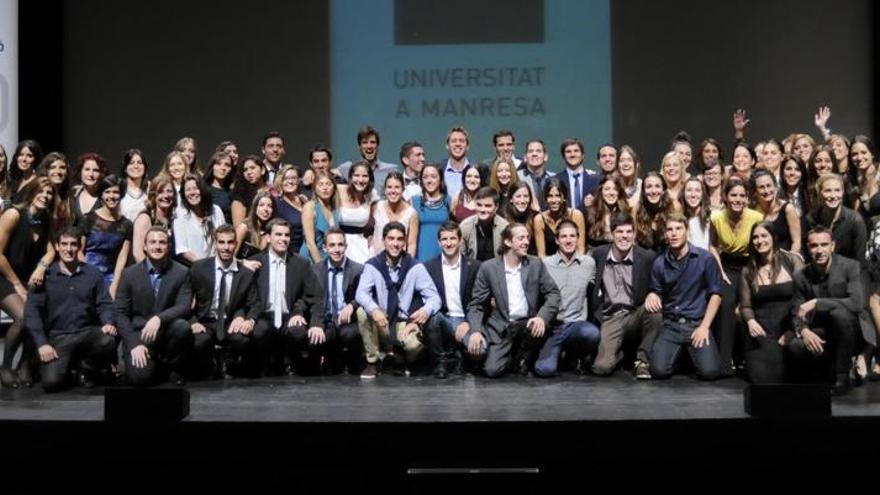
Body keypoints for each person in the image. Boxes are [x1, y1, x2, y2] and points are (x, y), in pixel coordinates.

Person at [25, 227, 117, 392]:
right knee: (51, 383)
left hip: (86, 332)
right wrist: (42, 343)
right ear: (58, 247)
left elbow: (104, 303)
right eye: (64, 244)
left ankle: (86, 367)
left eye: (73, 244)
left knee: (108, 340)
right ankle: (68, 368)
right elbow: (32, 313)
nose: (69, 249)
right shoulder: (45, 276)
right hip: (58, 336)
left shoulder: (93, 273)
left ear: (79, 247)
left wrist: (108, 322)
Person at [466, 223, 560, 378]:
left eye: (527, 238)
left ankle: (524, 355)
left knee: (533, 328)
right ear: (508, 242)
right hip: (502, 327)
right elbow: (476, 304)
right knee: (492, 370)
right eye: (521, 238)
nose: (526, 242)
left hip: (528, 325)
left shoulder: (535, 264)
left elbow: (553, 293)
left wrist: (542, 317)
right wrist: (475, 330)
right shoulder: (489, 268)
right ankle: (512, 356)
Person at [356, 221, 441, 377]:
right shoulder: (373, 266)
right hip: (382, 320)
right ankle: (373, 362)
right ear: (384, 240)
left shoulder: (415, 267)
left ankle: (400, 357)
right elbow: (361, 294)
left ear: (404, 241)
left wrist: (425, 310)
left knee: (413, 347)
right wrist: (374, 309)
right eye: (391, 239)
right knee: (362, 312)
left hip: (404, 322)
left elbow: (434, 297)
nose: (395, 244)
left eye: (400, 239)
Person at [647, 213, 723, 380]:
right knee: (658, 371)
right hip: (671, 325)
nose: (674, 233)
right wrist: (652, 294)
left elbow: (716, 295)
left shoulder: (705, 259)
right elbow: (655, 290)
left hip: (696, 324)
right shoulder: (660, 263)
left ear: (686, 231)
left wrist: (704, 326)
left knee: (709, 372)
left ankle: (689, 355)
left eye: (678, 229)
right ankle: (680, 356)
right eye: (669, 230)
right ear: (665, 234)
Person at [789, 226, 864, 395]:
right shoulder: (801, 276)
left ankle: (842, 375)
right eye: (814, 246)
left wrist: (817, 302)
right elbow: (796, 312)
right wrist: (804, 330)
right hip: (822, 332)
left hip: (850, 332)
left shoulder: (850, 267)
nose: (819, 250)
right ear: (808, 248)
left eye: (824, 244)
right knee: (795, 346)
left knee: (839, 314)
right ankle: (824, 372)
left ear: (833, 246)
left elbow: (856, 303)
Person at [115, 226, 193, 386]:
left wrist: (159, 318)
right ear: (144, 246)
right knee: (140, 379)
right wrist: (133, 345)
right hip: (139, 335)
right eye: (153, 242)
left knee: (182, 327)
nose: (157, 246)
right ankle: (153, 365)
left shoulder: (182, 272)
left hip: (166, 332)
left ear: (169, 246)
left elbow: (184, 306)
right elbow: (120, 313)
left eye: (162, 242)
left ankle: (173, 367)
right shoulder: (129, 274)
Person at [189, 225, 266, 379]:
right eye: (222, 242)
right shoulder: (199, 268)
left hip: (231, 321)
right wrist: (192, 321)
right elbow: (185, 299)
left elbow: (255, 303)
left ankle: (229, 362)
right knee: (199, 341)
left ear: (236, 244)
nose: (226, 247)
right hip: (206, 321)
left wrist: (248, 320)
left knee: (242, 338)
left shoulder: (245, 273)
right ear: (215, 244)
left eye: (230, 243)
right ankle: (210, 365)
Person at [590, 212, 661, 378]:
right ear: (612, 234)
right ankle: (621, 353)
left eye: (629, 232)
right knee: (601, 368)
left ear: (634, 234)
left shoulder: (646, 257)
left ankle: (642, 361)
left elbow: (658, 283)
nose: (624, 236)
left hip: (634, 314)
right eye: (620, 232)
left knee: (655, 313)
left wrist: (653, 293)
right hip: (610, 317)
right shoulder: (599, 255)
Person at [0, 176, 55, 387]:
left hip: (25, 278)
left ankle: (25, 364)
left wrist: (42, 266)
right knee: (23, 317)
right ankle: (6, 366)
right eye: (41, 191)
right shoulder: (14, 214)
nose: (46, 196)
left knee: (38, 313)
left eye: (49, 193)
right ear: (32, 191)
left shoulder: (44, 220)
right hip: (4, 276)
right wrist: (16, 284)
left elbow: (51, 250)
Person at [252, 219, 325, 375]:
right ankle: (264, 366)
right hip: (264, 315)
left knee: (298, 332)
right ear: (268, 237)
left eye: (286, 235)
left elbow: (315, 296)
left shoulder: (301, 263)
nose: (283, 239)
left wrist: (310, 319)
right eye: (278, 234)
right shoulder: (255, 262)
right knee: (259, 331)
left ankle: (292, 365)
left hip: (290, 315)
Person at [709, 177, 763, 376]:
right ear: (725, 197)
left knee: (749, 308)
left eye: (742, 195)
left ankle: (751, 361)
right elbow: (712, 245)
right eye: (733, 195)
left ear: (747, 198)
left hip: (750, 266)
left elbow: (761, 246)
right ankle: (724, 363)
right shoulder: (716, 218)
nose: (738, 199)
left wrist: (756, 272)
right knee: (725, 306)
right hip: (727, 267)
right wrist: (720, 270)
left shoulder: (756, 217)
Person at [738, 222, 803, 384]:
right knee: (761, 379)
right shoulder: (748, 270)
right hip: (762, 332)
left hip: (789, 328)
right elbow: (745, 306)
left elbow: (803, 298)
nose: (759, 241)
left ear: (773, 238)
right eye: (755, 237)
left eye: (763, 236)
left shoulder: (791, 261)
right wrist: (751, 321)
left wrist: (793, 329)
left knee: (789, 376)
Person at [539, 220, 600, 377]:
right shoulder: (545, 264)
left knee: (592, 334)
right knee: (544, 370)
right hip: (553, 327)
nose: (568, 240)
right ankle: (558, 354)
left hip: (576, 325)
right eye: (564, 236)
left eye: (572, 236)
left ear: (578, 238)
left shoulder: (588, 263)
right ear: (557, 240)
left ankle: (575, 355)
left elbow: (593, 291)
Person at [424, 221, 481, 378]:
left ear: (460, 240)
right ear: (439, 242)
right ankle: (440, 361)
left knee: (480, 351)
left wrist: (469, 322)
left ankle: (460, 357)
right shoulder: (429, 267)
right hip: (444, 318)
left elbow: (479, 301)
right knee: (433, 319)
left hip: (466, 319)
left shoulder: (475, 266)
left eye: (452, 239)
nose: (448, 243)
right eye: (444, 239)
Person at [312, 227, 366, 374]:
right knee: (315, 336)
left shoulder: (358, 269)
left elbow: (365, 295)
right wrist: (316, 324)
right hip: (325, 321)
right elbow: (310, 299)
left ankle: (354, 362)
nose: (337, 249)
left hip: (347, 322)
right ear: (324, 247)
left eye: (340, 245)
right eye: (332, 245)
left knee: (352, 334)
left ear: (346, 247)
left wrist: (352, 305)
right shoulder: (315, 270)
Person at [80, 174, 133, 297]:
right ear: (101, 195)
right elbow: (79, 251)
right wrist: (87, 276)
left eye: (116, 192)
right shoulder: (88, 219)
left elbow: (122, 257)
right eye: (107, 192)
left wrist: (114, 285)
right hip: (86, 272)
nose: (111, 196)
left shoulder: (127, 225)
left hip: (111, 277)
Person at [173, 174, 226, 265]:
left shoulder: (216, 211)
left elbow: (224, 238)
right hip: (194, 267)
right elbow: (183, 250)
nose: (192, 192)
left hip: (218, 264)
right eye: (188, 190)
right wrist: (203, 266)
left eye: (195, 188)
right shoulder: (180, 219)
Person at [336, 126, 400, 199]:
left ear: (377, 145)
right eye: (365, 142)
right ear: (359, 146)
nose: (369, 146)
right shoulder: (346, 168)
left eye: (372, 142)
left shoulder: (391, 170)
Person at [533, 178, 587, 256]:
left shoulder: (576, 215)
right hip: (549, 264)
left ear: (564, 197)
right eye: (550, 196)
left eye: (558, 196)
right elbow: (541, 254)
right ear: (545, 198)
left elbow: (580, 249)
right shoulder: (539, 220)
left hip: (573, 263)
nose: (554, 200)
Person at [370, 172, 418, 257]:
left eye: (397, 187)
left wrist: (407, 266)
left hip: (399, 262)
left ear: (403, 189)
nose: (393, 191)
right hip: (376, 259)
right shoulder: (377, 207)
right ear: (384, 190)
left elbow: (411, 244)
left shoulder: (411, 213)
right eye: (389, 187)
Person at [132, 175, 176, 264]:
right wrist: (150, 275)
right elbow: (138, 254)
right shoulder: (145, 218)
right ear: (153, 195)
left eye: (169, 191)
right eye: (160, 192)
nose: (166, 195)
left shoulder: (173, 219)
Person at [412, 163, 451, 263]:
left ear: (440, 179)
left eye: (433, 177)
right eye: (425, 177)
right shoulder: (414, 201)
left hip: (443, 255)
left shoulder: (449, 201)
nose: (429, 181)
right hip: (421, 256)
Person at [300, 171, 341, 263]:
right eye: (320, 184)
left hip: (329, 258)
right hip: (311, 259)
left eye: (328, 184)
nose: (325, 188)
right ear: (314, 188)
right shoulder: (310, 207)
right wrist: (321, 268)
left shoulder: (335, 209)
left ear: (334, 187)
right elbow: (310, 243)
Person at [460, 187, 509, 262]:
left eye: (487, 206)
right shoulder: (465, 226)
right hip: (473, 271)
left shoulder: (504, 227)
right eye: (479, 205)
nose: (482, 210)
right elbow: (460, 257)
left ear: (496, 207)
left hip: (497, 271)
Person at [556, 138, 600, 211]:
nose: (572, 154)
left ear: (583, 155)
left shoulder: (595, 180)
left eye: (576, 151)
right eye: (568, 151)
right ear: (563, 156)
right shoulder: (556, 180)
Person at [273, 165, 308, 255]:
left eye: (293, 178)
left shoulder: (304, 200)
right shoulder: (276, 203)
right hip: (289, 253)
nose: (290, 181)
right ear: (280, 181)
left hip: (307, 251)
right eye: (286, 178)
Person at [230, 155, 270, 228]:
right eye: (245, 170)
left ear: (263, 170)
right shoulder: (240, 194)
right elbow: (238, 227)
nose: (249, 172)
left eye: (252, 168)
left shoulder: (272, 190)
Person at [235, 191, 275, 259]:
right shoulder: (244, 228)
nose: (266, 209)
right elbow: (230, 256)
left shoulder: (271, 231)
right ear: (255, 207)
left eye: (269, 206)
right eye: (261, 205)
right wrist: (244, 263)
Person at [71, 152, 108, 225]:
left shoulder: (106, 198)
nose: (91, 174)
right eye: (87, 169)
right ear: (80, 172)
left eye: (95, 170)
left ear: (101, 174)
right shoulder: (73, 195)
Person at [518, 139, 555, 209]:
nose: (534, 154)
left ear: (546, 157)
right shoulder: (517, 177)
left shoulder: (554, 177)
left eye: (538, 151)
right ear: (525, 158)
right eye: (530, 151)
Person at [442, 126, 474, 199]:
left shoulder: (475, 171)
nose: (458, 144)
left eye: (462, 141)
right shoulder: (439, 170)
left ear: (467, 146)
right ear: (447, 145)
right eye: (453, 141)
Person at [119, 149, 150, 223]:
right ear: (125, 168)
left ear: (144, 167)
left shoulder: (150, 189)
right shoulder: (119, 189)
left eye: (139, 163)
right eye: (131, 163)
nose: (136, 166)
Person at [204, 150, 234, 224]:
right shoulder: (203, 189)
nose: (223, 168)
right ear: (212, 166)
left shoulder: (232, 193)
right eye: (218, 164)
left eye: (227, 165)